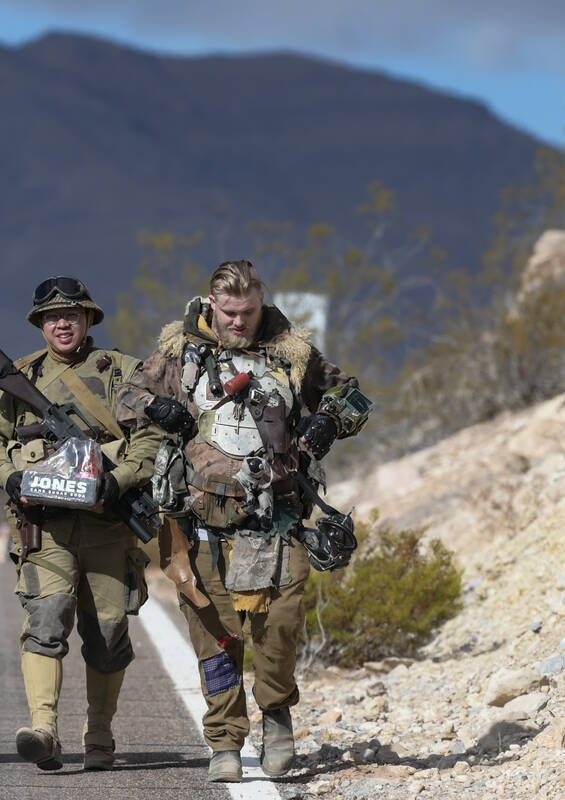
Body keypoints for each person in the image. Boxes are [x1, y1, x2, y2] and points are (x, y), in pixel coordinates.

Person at [115, 260, 367, 782]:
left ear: (261, 303)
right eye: (228, 312)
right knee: (216, 638)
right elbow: (127, 399)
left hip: (280, 519)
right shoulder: (180, 351)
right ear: (212, 304)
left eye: (247, 312)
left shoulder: (292, 352)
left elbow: (353, 396)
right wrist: (159, 412)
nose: (238, 322)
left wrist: (327, 420)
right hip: (203, 523)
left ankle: (276, 717)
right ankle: (225, 742)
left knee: (279, 631)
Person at [0, 277, 163, 771]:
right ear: (40, 325)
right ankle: (44, 730)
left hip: (108, 527)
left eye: (73, 315)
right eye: (53, 317)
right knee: (45, 622)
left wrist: (117, 481)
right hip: (47, 528)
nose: (63, 323)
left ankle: (99, 736)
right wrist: (12, 477)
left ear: (89, 320)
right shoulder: (20, 377)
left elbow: (149, 441)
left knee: (107, 635)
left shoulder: (124, 373)